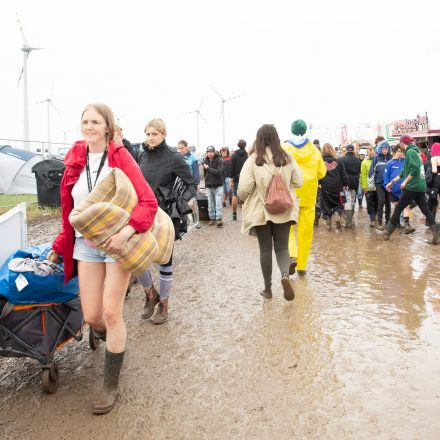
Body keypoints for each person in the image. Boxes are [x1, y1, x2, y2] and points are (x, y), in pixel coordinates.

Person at [49, 103, 158, 414]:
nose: (89, 127)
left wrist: (126, 233)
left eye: (95, 121)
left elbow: (148, 201)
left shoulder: (120, 157)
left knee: (112, 314)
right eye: (85, 121)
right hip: (85, 245)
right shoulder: (74, 158)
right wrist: (59, 244)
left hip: (116, 243)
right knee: (93, 316)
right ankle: (109, 338)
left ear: (108, 127)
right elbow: (69, 210)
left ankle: (110, 383)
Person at [138, 119, 197, 324]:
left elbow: (192, 183)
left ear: (164, 134)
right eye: (148, 134)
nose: (150, 138)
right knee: (136, 258)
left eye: (154, 134)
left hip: (164, 215)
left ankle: (163, 304)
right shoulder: (141, 154)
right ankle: (150, 294)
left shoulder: (174, 156)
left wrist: (179, 203)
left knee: (165, 259)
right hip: (142, 212)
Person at [238, 124, 303, 300]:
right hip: (284, 208)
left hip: (261, 210)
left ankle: (267, 289)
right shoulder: (287, 157)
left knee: (265, 249)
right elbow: (299, 182)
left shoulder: (253, 159)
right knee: (282, 247)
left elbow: (243, 190)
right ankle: (284, 275)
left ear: (259, 139)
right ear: (276, 137)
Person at [283, 119, 326, 276]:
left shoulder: (285, 148)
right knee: (306, 231)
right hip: (309, 196)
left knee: (287, 229)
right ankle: (302, 266)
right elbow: (322, 173)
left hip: (291, 195)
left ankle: (292, 254)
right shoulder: (314, 149)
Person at [384, 135, 440, 243]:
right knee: (425, 210)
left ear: (402, 143)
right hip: (420, 186)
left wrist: (405, 182)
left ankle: (387, 232)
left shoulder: (410, 152)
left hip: (413, 186)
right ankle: (436, 232)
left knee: (399, 207)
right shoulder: (414, 151)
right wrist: (392, 182)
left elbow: (414, 170)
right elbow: (405, 171)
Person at [383, 144, 414, 233]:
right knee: (397, 208)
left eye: (402, 151)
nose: (401, 153)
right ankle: (397, 224)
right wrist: (386, 186)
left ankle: (407, 225)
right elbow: (386, 176)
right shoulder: (389, 163)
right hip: (393, 190)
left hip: (405, 188)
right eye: (399, 151)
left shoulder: (405, 161)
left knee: (407, 206)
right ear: (395, 152)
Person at [319, 143, 349, 231]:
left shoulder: (320, 162)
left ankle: (328, 224)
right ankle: (337, 215)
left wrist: (319, 183)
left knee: (326, 205)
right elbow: (343, 174)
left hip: (325, 186)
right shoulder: (338, 161)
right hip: (337, 187)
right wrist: (346, 184)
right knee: (338, 203)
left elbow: (318, 174)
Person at [369, 139, 392, 230]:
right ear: (380, 149)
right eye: (383, 149)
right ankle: (379, 220)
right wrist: (371, 184)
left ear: (388, 149)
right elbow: (372, 171)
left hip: (389, 184)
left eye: (386, 149)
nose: (385, 150)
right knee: (381, 201)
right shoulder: (376, 158)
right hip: (379, 183)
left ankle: (388, 220)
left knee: (388, 203)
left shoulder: (391, 157)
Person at [177, 140, 201, 229]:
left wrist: (197, 184)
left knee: (193, 203)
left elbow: (196, 172)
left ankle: (196, 220)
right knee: (181, 202)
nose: (180, 150)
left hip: (191, 184)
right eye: (178, 148)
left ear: (186, 147)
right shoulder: (178, 157)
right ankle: (185, 220)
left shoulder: (193, 158)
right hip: (180, 184)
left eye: (182, 148)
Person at [339, 144, 361, 228]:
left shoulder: (341, 160)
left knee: (347, 201)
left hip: (345, 183)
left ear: (347, 150)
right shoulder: (358, 160)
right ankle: (349, 218)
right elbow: (359, 171)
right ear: (353, 150)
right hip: (355, 182)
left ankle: (348, 221)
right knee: (352, 200)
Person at [203, 146, 224, 227]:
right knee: (210, 204)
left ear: (214, 152)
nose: (210, 153)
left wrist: (208, 168)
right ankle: (212, 219)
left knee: (218, 203)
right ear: (207, 153)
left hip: (218, 185)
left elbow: (218, 172)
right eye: (209, 152)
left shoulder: (219, 160)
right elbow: (205, 174)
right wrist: (205, 184)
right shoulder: (205, 160)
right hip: (209, 186)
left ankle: (219, 219)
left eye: (212, 152)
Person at [230, 139, 248, 221]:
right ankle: (246, 215)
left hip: (236, 178)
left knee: (235, 195)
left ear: (238, 145)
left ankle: (234, 213)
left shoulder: (234, 155)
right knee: (246, 197)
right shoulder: (247, 155)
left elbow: (231, 168)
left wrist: (231, 179)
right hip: (245, 177)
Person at [360, 146, 378, 227]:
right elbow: (363, 175)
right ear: (367, 152)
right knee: (369, 203)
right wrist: (364, 187)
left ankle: (377, 215)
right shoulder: (364, 162)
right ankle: (372, 219)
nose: (371, 153)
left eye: (372, 151)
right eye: (369, 151)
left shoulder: (378, 160)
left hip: (377, 186)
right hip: (368, 187)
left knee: (377, 202)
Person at [426, 142, 440, 220]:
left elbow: (434, 170)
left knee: (432, 200)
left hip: (436, 180)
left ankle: (430, 220)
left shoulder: (434, 158)